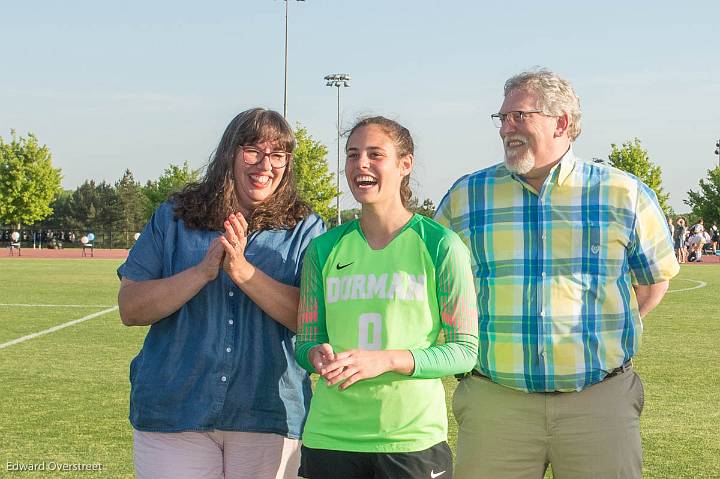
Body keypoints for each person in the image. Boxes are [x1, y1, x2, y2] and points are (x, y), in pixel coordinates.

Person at [435, 69, 679, 479]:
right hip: (496, 403)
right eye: (502, 118)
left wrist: (597, 337)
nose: (506, 128)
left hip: (599, 404)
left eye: (519, 116)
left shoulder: (624, 193)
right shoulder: (466, 196)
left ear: (562, 122)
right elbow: (436, 283)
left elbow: (654, 282)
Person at [117, 108, 325, 479]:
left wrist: (243, 272)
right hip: (174, 412)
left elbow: (310, 320)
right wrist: (201, 272)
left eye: (278, 155)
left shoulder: (305, 228)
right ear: (230, 152)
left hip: (269, 415)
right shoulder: (174, 217)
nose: (265, 165)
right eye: (253, 151)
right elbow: (130, 308)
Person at [295, 116, 479, 479]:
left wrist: (388, 360)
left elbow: (464, 351)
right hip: (330, 437)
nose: (360, 164)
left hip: (410, 439)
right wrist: (315, 354)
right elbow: (306, 342)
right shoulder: (323, 249)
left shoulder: (440, 245)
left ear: (405, 164)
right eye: (352, 155)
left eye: (374, 154)